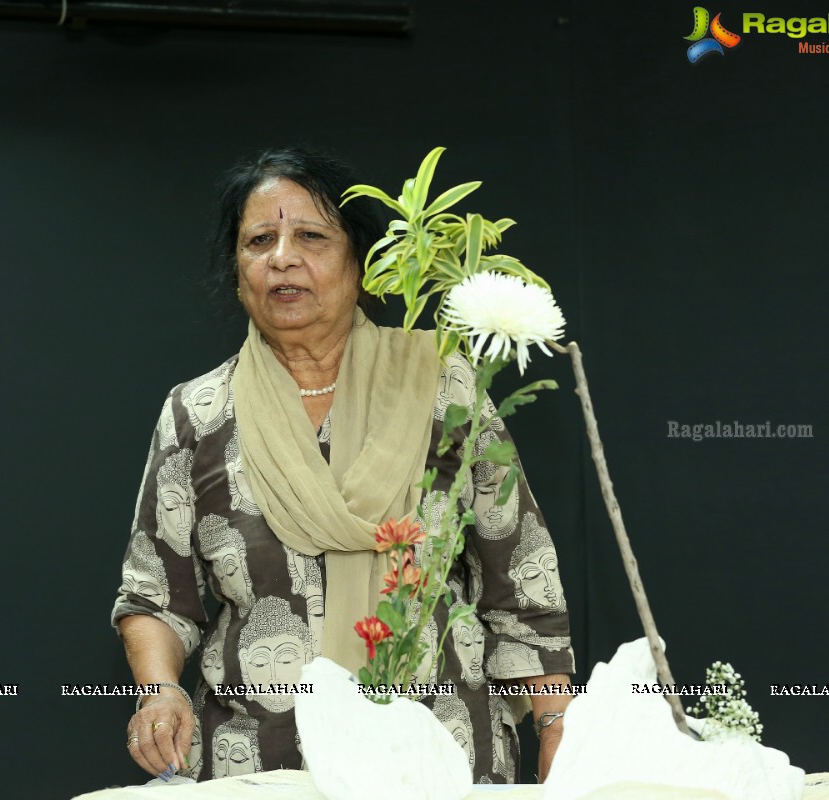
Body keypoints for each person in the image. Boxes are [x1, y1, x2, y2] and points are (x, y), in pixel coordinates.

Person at [112, 147, 575, 784]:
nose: (282, 258)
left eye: (310, 236)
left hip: (439, 758)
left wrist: (555, 726)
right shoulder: (198, 414)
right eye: (259, 240)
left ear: (360, 263)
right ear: (238, 267)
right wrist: (160, 690)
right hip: (264, 763)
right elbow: (156, 597)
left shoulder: (442, 387)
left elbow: (521, 585)